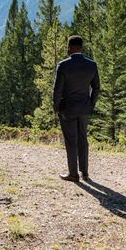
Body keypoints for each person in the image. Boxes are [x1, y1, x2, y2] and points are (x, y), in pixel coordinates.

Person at [52, 35, 100, 182]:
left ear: (71, 47)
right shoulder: (92, 65)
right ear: (81, 47)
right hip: (85, 108)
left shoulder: (63, 65)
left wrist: (56, 106)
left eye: (68, 46)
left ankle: (73, 174)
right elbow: (96, 88)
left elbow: (57, 90)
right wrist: (91, 104)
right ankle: (85, 173)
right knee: (83, 140)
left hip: (68, 109)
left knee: (71, 141)